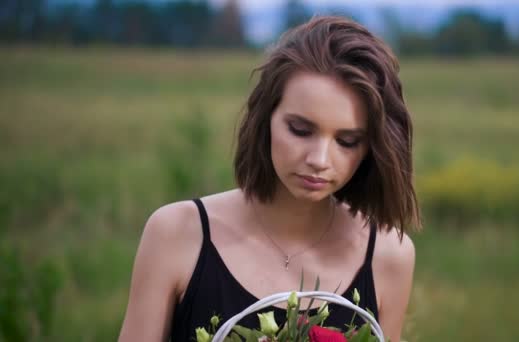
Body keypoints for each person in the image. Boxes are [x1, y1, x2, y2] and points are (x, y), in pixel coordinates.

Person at [118, 15, 421, 342]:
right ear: (266, 118)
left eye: (347, 141)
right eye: (300, 130)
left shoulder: (389, 254)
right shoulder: (177, 234)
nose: (319, 160)